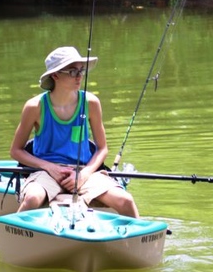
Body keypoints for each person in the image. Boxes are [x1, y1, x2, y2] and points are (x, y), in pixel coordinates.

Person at [10, 46, 140, 218]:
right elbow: (16, 151)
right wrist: (50, 167)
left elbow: (102, 149)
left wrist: (84, 174)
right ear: (55, 75)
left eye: (81, 70)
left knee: (126, 200)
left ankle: (142, 240)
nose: (79, 76)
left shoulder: (91, 102)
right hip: (46, 172)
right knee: (33, 198)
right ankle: (15, 236)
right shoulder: (35, 106)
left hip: (84, 172)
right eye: (72, 71)